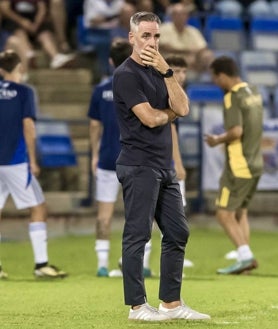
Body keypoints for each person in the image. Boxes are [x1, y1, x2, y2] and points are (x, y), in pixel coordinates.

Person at [113, 11, 210, 321]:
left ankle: (171, 303)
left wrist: (168, 72)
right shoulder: (126, 74)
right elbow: (152, 118)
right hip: (138, 164)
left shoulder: (160, 71)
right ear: (132, 38)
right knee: (138, 235)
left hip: (162, 165)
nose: (152, 42)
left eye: (156, 36)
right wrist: (170, 113)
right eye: (145, 36)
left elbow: (183, 107)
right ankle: (137, 307)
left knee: (178, 231)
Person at [88, 38, 153, 277]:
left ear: (109, 61)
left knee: (103, 213)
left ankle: (101, 264)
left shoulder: (100, 90)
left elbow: (94, 127)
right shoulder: (139, 86)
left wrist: (95, 155)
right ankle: (140, 263)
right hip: (135, 157)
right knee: (139, 212)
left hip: (107, 158)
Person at [0, 49, 67, 279]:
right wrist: (33, 159)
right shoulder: (24, 92)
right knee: (38, 207)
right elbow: (28, 125)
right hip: (16, 160)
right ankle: (41, 264)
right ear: (20, 67)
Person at [205, 56, 263, 275]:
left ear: (222, 75)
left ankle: (246, 256)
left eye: (215, 78)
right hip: (256, 162)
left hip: (239, 164)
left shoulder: (232, 97)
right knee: (241, 212)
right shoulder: (254, 92)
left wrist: (216, 140)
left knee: (223, 213)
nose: (216, 83)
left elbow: (237, 131)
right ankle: (244, 262)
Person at [0, 0, 75, 74]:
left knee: (45, 34)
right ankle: (29, 54)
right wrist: (22, 21)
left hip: (34, 21)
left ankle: (55, 57)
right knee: (19, 31)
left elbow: (42, 8)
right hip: (16, 20)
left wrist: (36, 24)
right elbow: (5, 9)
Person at [159, 2, 214, 82]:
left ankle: (214, 81)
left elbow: (202, 48)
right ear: (172, 16)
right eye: (177, 14)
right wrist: (188, 51)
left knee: (207, 55)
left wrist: (193, 55)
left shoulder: (193, 31)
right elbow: (165, 47)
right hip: (169, 65)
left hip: (192, 65)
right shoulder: (163, 29)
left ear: (187, 16)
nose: (181, 17)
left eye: (184, 14)